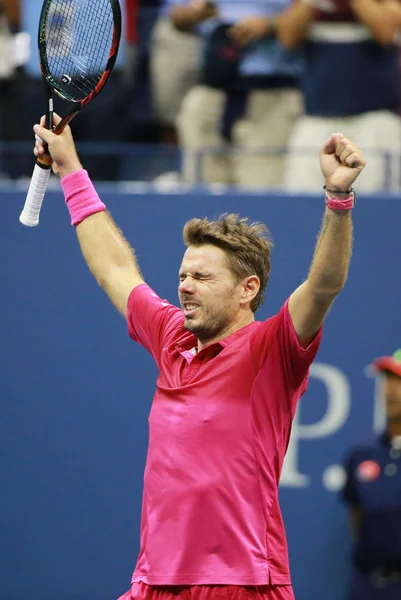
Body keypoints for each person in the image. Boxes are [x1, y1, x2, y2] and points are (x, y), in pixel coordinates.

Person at [33, 114, 365, 600]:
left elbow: (324, 285)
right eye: (183, 276)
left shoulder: (272, 349)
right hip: (153, 582)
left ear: (247, 290)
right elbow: (113, 267)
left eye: (203, 278)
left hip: (244, 583)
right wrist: (70, 167)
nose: (185, 286)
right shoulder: (170, 337)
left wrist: (338, 201)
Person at [174, 0, 303, 188]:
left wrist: (269, 25)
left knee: (259, 190)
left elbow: (314, 23)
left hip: (269, 94)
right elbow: (177, 16)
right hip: (211, 90)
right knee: (201, 193)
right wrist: (200, 14)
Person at [278, 0, 401, 193]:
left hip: (373, 121)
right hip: (316, 119)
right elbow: (287, 37)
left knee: (374, 199)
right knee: (301, 197)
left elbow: (386, 32)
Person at [341, 349, 401, 600]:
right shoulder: (362, 452)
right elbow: (357, 515)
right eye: (387, 379)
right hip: (366, 586)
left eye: (399, 382)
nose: (391, 390)